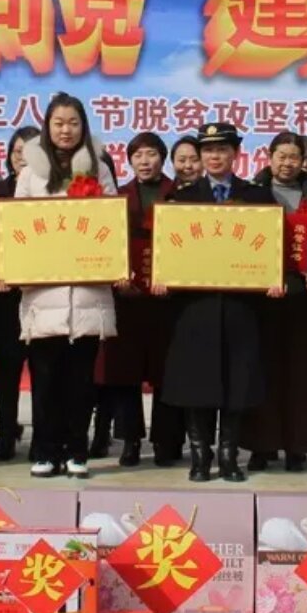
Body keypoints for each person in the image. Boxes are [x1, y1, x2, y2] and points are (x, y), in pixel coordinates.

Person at [0, 93, 119, 478]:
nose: (66, 130)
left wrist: (115, 263)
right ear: (47, 127)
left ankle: (77, 452)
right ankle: (46, 450)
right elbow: (15, 229)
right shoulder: (30, 173)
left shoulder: (98, 168)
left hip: (87, 292)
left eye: (73, 123)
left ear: (84, 127)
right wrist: (7, 268)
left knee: (81, 382)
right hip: (43, 292)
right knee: (45, 379)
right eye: (59, 123)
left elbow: (111, 224)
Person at [156, 122, 282, 482]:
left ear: (235, 154)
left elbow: (272, 248)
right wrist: (162, 277)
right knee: (196, 383)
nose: (215, 156)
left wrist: (273, 277)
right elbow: (168, 250)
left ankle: (229, 456)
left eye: (222, 149)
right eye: (208, 150)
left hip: (241, 306)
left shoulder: (257, 197)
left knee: (236, 382)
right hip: (195, 307)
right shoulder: (181, 199)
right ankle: (200, 455)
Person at [245, 132, 307, 472]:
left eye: (295, 157)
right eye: (282, 156)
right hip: (261, 294)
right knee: (261, 369)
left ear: (304, 161)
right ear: (270, 157)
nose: (288, 163)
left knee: (300, 372)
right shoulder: (252, 193)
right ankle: (261, 446)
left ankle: (297, 446)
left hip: (304, 295)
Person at [103, 132, 174, 469]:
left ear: (163, 158)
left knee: (165, 374)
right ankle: (130, 440)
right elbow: (107, 243)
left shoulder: (179, 195)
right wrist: (117, 278)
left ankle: (164, 440)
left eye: (151, 154)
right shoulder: (118, 197)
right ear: (129, 161)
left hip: (166, 299)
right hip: (127, 298)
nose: (145, 161)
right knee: (125, 374)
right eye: (138, 155)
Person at [0, 125, 38, 460]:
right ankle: (6, 431)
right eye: (17, 152)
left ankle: (43, 434)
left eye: (31, 152)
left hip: (43, 296)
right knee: (5, 370)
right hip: (3, 295)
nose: (23, 159)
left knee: (44, 371)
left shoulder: (53, 192)